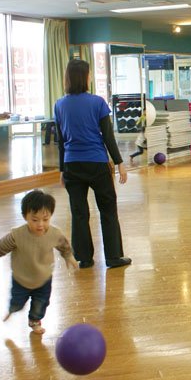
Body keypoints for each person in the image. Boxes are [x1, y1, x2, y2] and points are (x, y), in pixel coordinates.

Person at [54, 59, 131, 269]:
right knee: (108, 209)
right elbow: (108, 136)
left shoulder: (59, 105)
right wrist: (119, 162)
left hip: (72, 164)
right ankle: (113, 257)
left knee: (79, 213)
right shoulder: (97, 102)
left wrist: (62, 169)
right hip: (96, 163)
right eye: (89, 74)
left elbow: (61, 141)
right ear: (85, 77)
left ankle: (83, 257)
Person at [0, 190, 78, 334]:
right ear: (25, 217)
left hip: (44, 277)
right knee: (17, 302)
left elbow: (64, 246)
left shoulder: (55, 234)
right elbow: (1, 247)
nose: (40, 225)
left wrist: (69, 257)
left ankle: (34, 321)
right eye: (34, 220)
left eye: (45, 219)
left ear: (50, 216)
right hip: (21, 278)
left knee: (41, 303)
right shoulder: (17, 235)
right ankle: (12, 309)